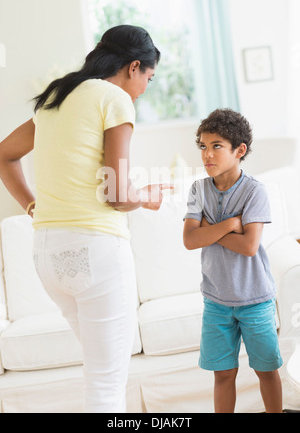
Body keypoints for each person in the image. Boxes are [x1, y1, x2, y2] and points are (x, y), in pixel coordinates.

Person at [0, 25, 173, 413]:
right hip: (96, 253)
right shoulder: (114, 99)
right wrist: (147, 196)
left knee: (101, 375)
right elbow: (117, 195)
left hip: (47, 257)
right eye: (149, 76)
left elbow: (3, 154)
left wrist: (32, 208)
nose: (145, 87)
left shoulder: (55, 99)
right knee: (106, 387)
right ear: (133, 67)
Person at [183, 108, 283, 413]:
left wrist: (208, 231)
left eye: (216, 146)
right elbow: (189, 240)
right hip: (216, 301)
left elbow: (250, 245)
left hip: (255, 300)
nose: (207, 155)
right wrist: (228, 224)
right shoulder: (198, 190)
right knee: (223, 374)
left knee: (266, 369)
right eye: (202, 146)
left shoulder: (255, 191)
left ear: (239, 150)